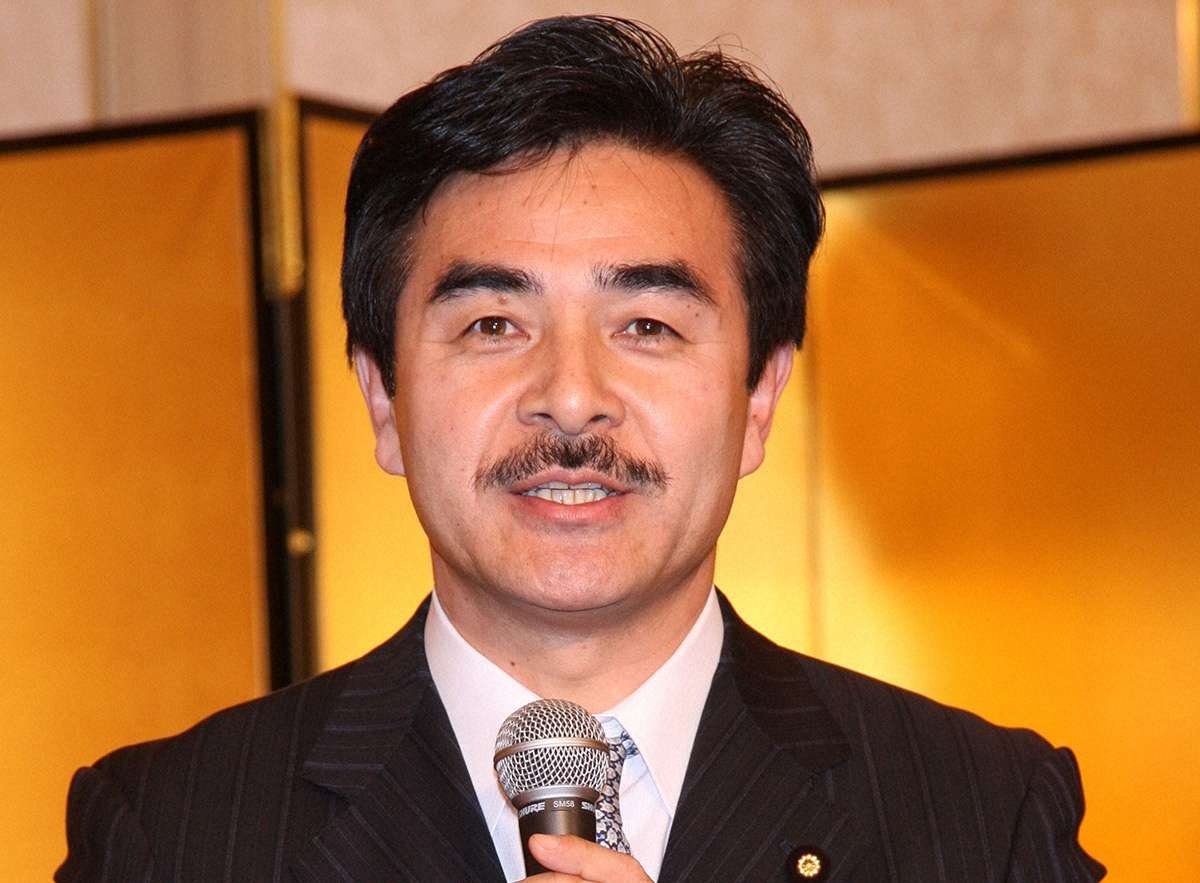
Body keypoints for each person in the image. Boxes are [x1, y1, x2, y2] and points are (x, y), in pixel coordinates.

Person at [58, 15, 1104, 882]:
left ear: (758, 397)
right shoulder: (172, 832)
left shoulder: (981, 815)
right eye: (492, 324)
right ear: (381, 396)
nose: (569, 399)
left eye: (646, 325)